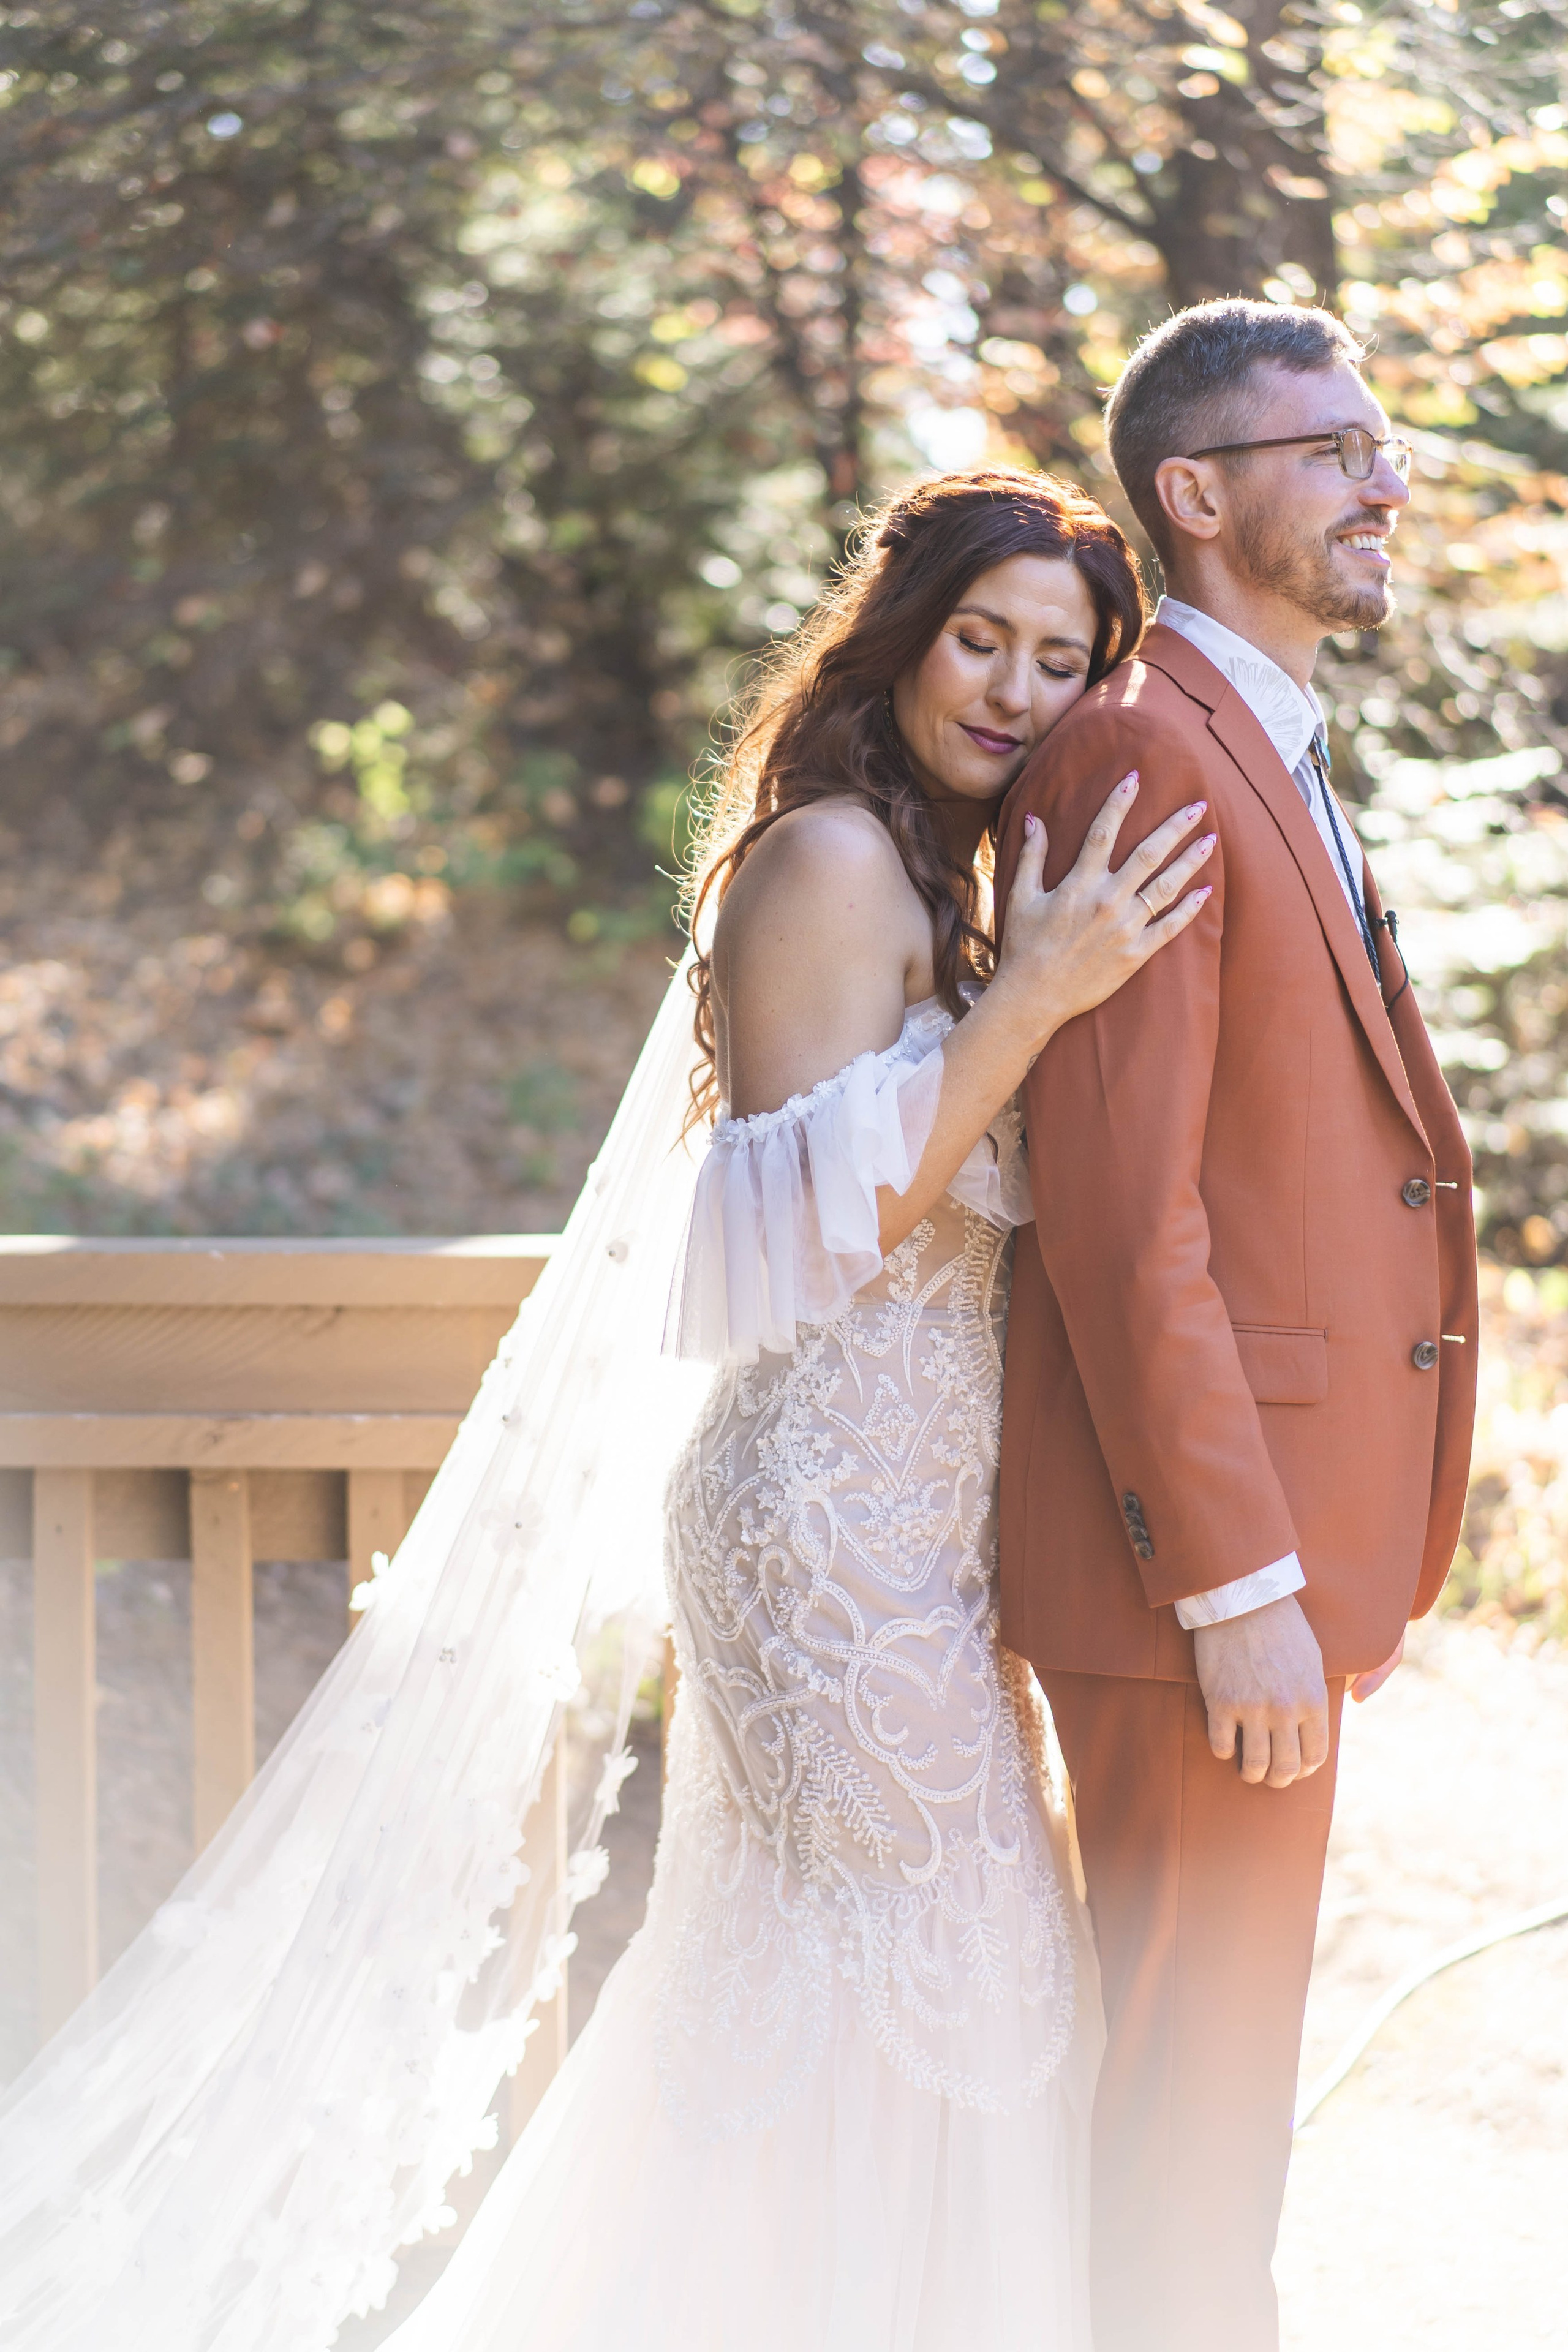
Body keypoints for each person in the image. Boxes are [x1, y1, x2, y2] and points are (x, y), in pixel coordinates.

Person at [370, 470, 1213, 2351]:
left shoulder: (938, 873)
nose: (1009, 689)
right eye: (977, 641)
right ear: (902, 639)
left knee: (867, 1985)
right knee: (956, 1988)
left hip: (899, 1525)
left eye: (1059, 662)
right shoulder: (829, 858)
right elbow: (821, 1218)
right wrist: (1047, 997)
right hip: (822, 1525)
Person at [993, 302, 1479, 2352]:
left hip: (1261, 1556)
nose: (1388, 483)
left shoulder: (1270, 742)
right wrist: (1238, 1578)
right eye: (1335, 449)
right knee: (1189, 2133)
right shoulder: (1137, 748)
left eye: (1389, 445)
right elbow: (1124, 1222)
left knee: (1217, 2118)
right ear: (1196, 496)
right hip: (1198, 1573)